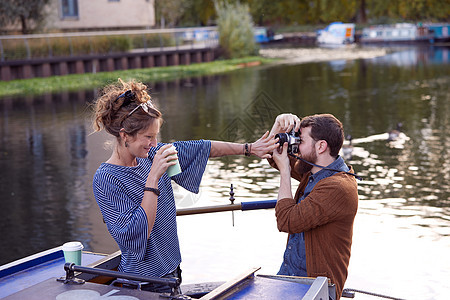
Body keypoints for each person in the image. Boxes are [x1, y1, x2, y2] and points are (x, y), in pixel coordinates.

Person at [91, 79, 277, 293]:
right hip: (143, 283)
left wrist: (249, 148)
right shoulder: (106, 179)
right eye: (148, 137)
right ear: (125, 136)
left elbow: (202, 148)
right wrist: (153, 178)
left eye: (156, 136)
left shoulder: (150, 154)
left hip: (172, 271)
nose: (154, 143)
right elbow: (136, 233)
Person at [269, 113, 359, 300]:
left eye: (300, 140)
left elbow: (287, 221)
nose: (296, 146)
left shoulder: (338, 187)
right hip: (288, 278)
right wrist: (278, 125)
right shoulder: (313, 170)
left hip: (316, 290)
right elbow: (272, 154)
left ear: (321, 146)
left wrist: (285, 171)